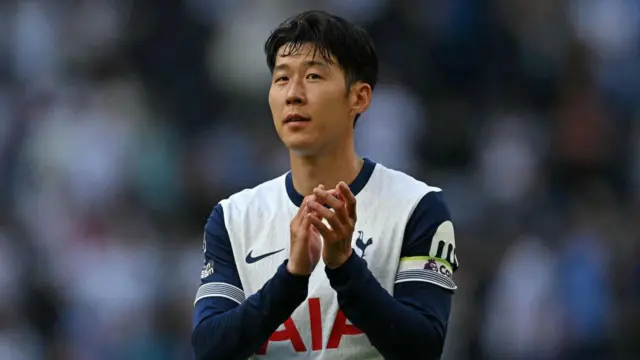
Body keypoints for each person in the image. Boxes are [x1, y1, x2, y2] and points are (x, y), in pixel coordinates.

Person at [191, 9, 459, 360]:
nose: (293, 94)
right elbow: (209, 349)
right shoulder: (233, 218)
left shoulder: (416, 208)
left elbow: (423, 348)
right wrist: (291, 277)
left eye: (314, 76)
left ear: (359, 98)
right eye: (282, 78)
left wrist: (344, 265)